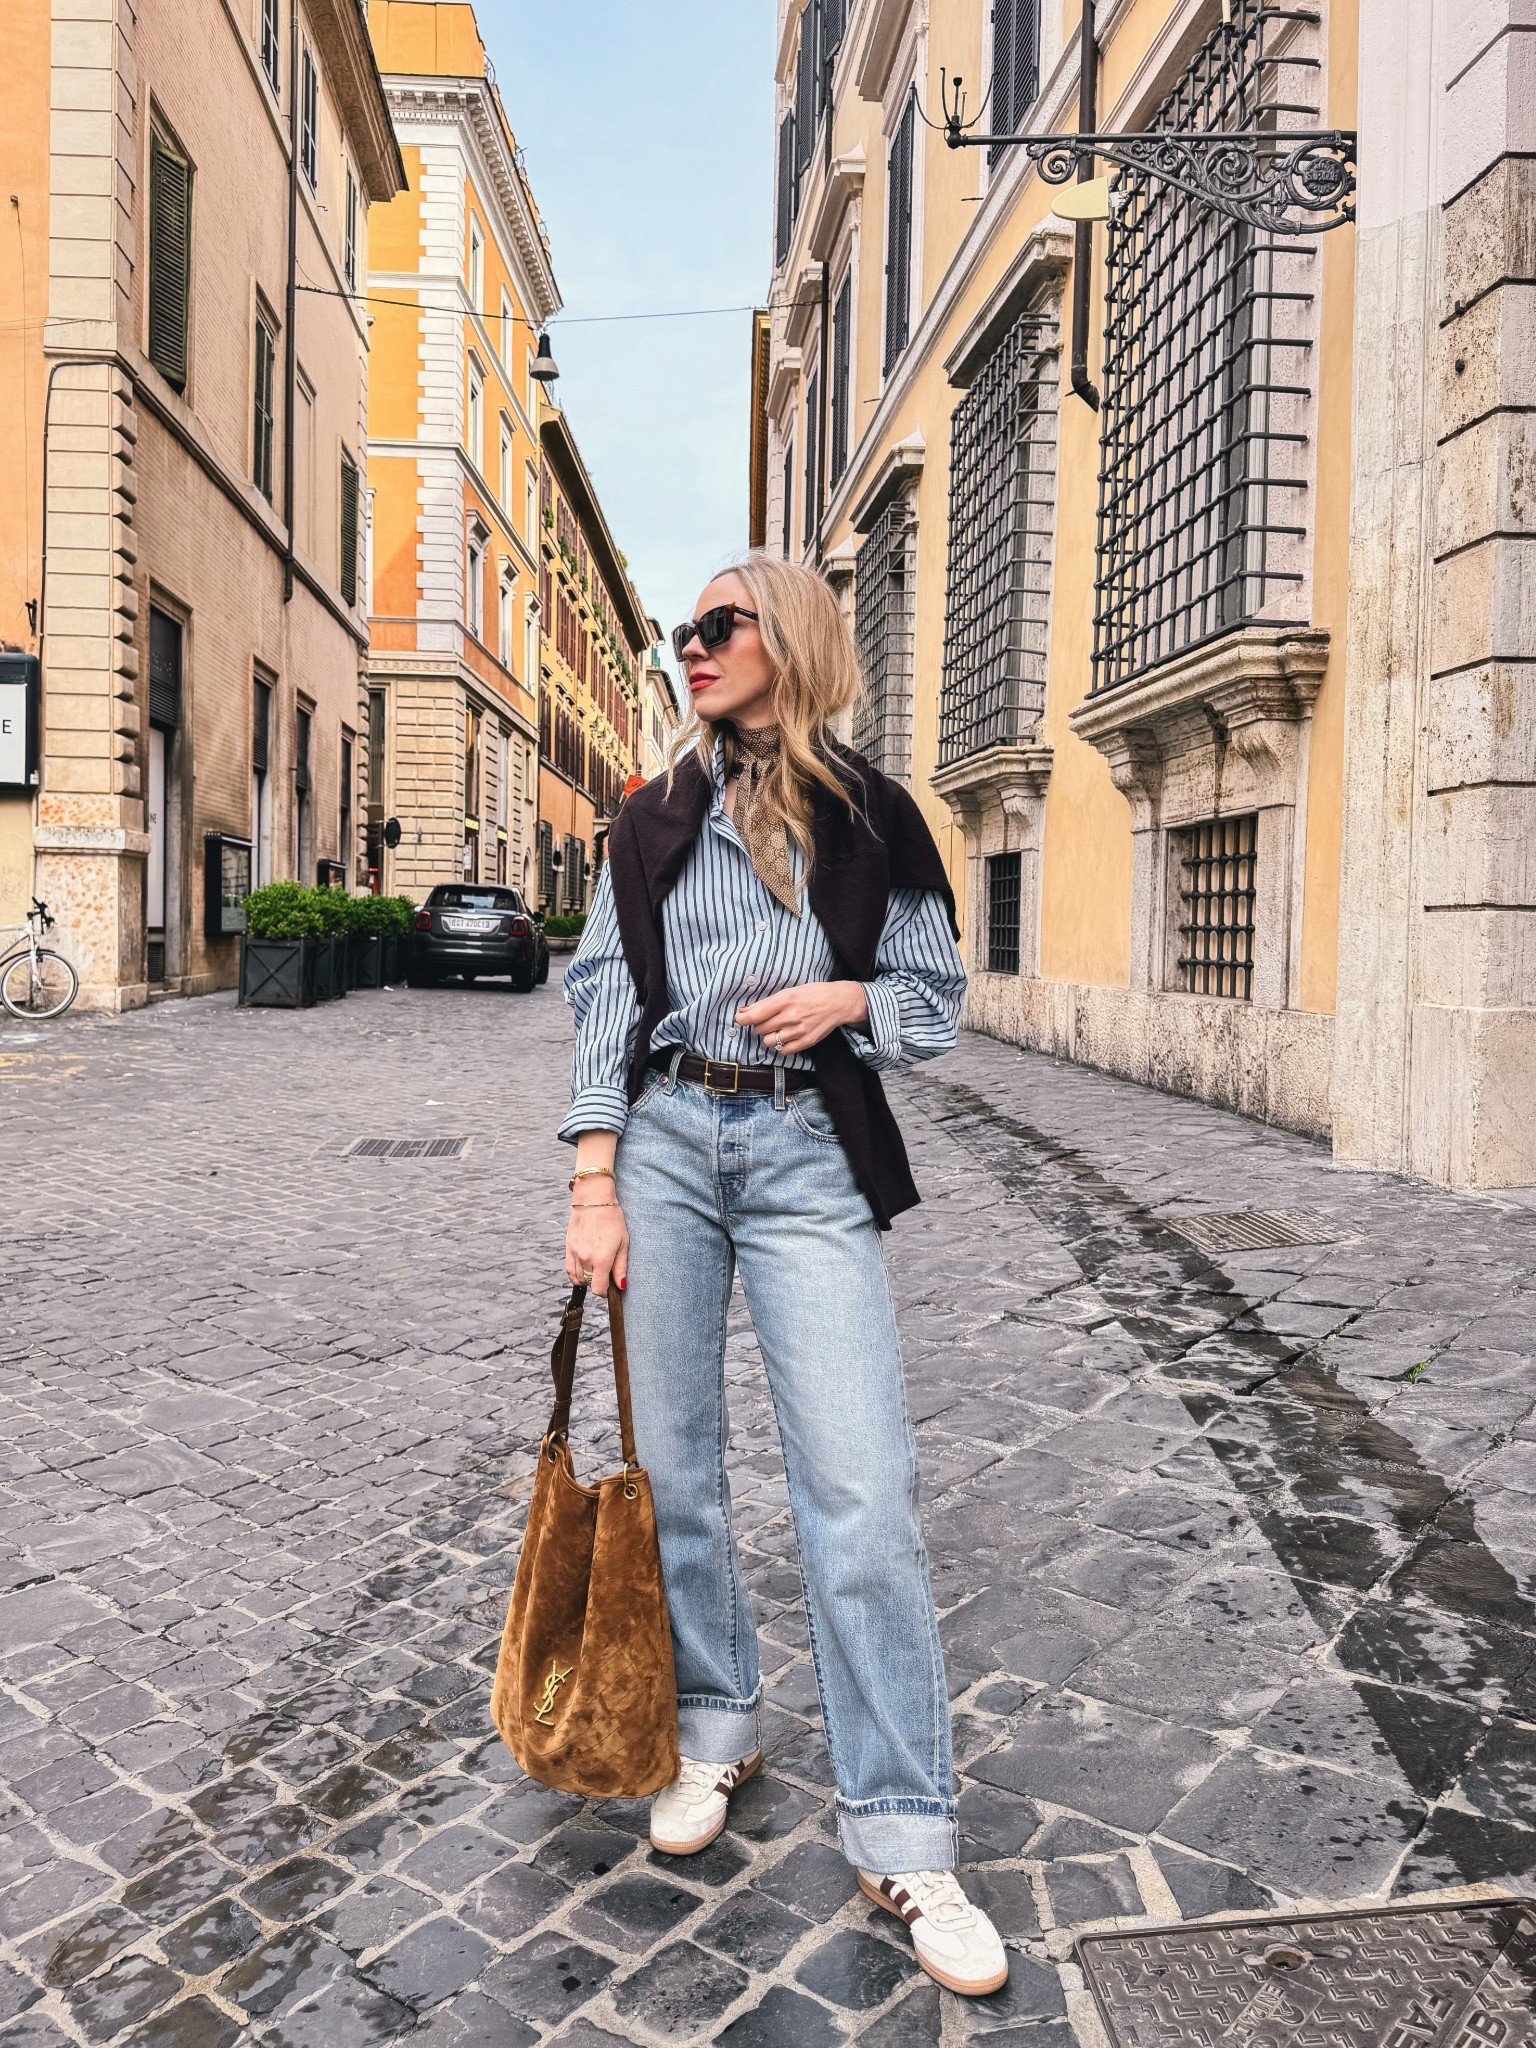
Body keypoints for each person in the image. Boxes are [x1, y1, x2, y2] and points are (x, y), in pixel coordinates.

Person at [559, 554, 1007, 1998]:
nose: (691, 649)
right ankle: (714, 1727)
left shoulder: (874, 815)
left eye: (718, 628)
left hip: (811, 1150)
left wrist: (854, 998)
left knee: (862, 1491)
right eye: (682, 633)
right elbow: (602, 1000)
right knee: (678, 1468)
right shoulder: (649, 819)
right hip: (670, 1148)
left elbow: (938, 1003)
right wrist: (592, 1181)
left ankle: (902, 1830)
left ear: (790, 639)